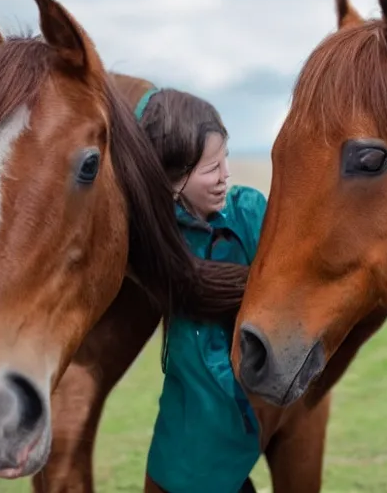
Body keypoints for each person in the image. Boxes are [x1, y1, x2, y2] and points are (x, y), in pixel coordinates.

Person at [134, 87, 265, 493]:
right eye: (212, 168)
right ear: (173, 179)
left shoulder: (249, 212)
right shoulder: (152, 239)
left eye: (226, 158)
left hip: (249, 407)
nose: (226, 175)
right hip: (186, 412)